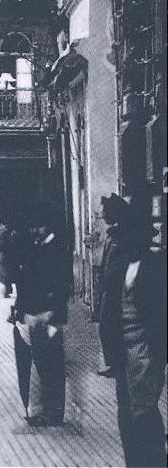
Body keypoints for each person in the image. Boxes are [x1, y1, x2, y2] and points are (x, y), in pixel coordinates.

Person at [111, 195, 167, 468]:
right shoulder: (121, 265)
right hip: (124, 353)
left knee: (143, 413)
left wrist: (159, 356)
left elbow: (161, 317)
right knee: (126, 414)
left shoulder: (156, 268)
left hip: (145, 352)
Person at [12, 210, 71, 426]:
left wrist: (52, 314)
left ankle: (54, 413)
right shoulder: (40, 247)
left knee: (52, 366)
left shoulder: (56, 250)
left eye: (38, 226)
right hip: (39, 315)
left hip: (49, 317)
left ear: (48, 226)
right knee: (45, 364)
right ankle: (49, 410)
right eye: (32, 227)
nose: (34, 231)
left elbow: (63, 286)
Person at [97, 193, 129, 378]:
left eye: (104, 212)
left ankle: (117, 364)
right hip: (109, 288)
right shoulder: (112, 235)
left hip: (117, 289)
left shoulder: (120, 235)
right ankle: (114, 363)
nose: (101, 216)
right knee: (107, 326)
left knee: (111, 326)